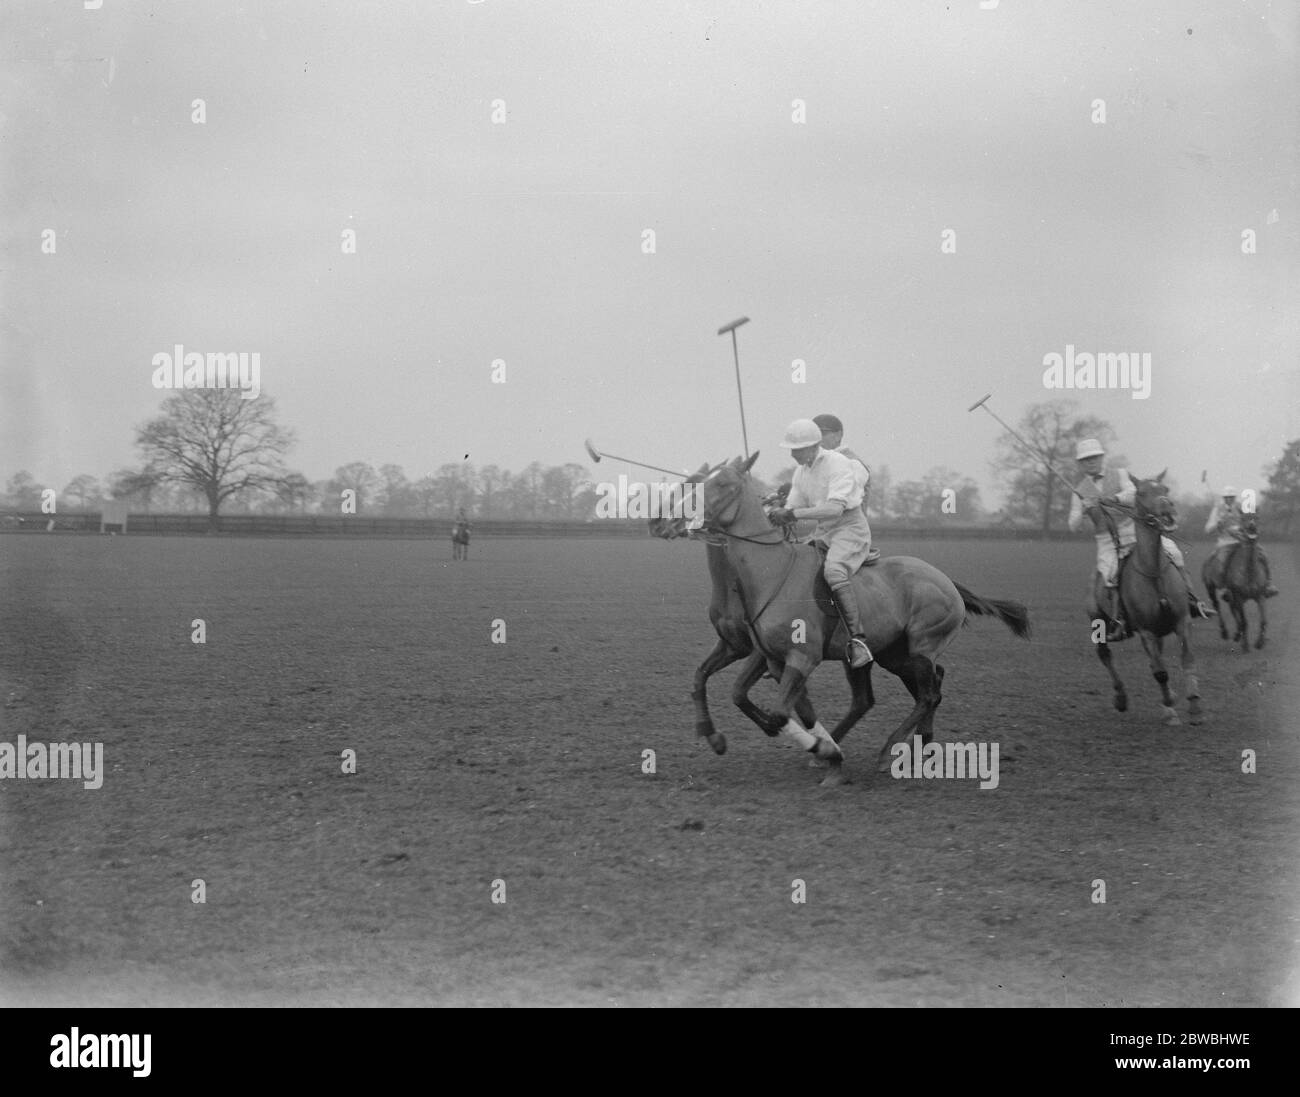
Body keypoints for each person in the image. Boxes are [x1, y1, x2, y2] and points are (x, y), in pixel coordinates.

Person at [1067, 439, 1214, 640]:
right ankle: (1120, 620)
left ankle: (1193, 602)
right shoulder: (1079, 491)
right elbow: (1072, 525)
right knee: (1110, 574)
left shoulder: (1119, 474)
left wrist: (1115, 499)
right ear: (1080, 464)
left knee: (1175, 553)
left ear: (1102, 458)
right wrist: (1084, 508)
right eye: (1086, 460)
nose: (1091, 462)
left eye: (1094, 457)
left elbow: (1133, 493)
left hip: (1135, 531)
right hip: (1108, 541)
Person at [768, 418, 873, 667]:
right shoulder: (802, 471)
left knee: (834, 571)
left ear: (812, 446)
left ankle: (858, 641)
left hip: (850, 530)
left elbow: (835, 509)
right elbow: (793, 505)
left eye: (796, 449)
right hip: (824, 533)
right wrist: (775, 510)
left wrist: (792, 514)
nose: (792, 454)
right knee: (792, 564)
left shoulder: (839, 463)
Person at [1204, 486, 1278, 596]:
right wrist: (1217, 523)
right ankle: (1225, 588)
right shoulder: (1217, 509)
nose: (1229, 499)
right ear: (1224, 498)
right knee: (1222, 561)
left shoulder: (1241, 507)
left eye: (1231, 497)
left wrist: (1242, 526)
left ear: (1234, 498)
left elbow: (1250, 520)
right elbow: (1208, 529)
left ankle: (1268, 584)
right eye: (1227, 497)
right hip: (1225, 542)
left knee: (1262, 554)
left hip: (1243, 541)